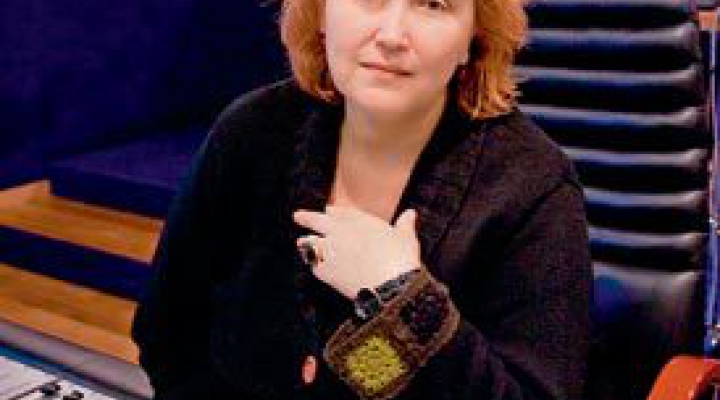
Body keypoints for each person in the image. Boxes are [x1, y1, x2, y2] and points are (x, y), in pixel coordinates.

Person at [131, 0, 591, 398]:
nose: (391, 35)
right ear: (321, 14)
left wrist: (405, 300)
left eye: (433, 3)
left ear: (474, 37)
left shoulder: (532, 188)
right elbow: (168, 333)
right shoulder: (249, 132)